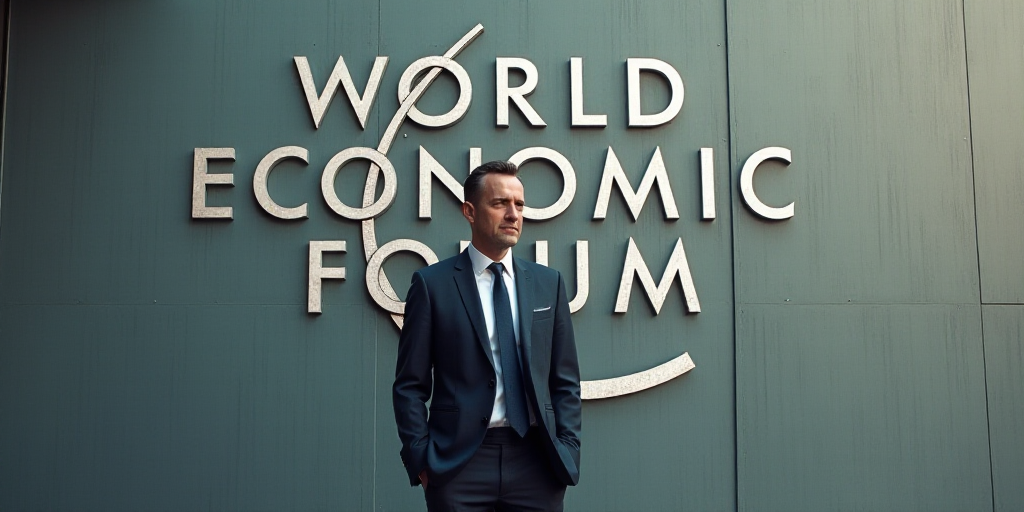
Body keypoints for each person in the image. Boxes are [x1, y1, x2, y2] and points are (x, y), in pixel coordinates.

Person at [393, 160, 582, 511]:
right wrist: (420, 459)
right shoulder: (432, 285)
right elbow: (409, 385)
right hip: (459, 464)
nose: (513, 214)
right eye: (500, 204)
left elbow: (565, 379)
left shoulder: (548, 284)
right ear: (469, 211)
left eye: (520, 205)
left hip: (536, 462)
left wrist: (567, 447)